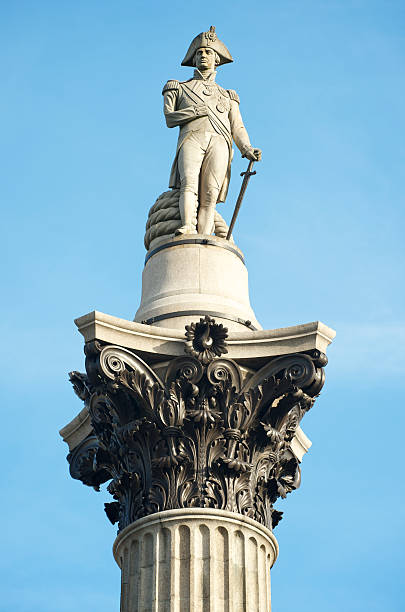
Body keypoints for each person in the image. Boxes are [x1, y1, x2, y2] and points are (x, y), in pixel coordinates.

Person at [163, 26, 261, 236]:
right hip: (192, 137)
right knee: (188, 184)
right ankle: (188, 225)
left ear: (217, 59)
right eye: (199, 53)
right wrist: (195, 111)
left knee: (210, 194)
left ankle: (205, 235)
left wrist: (247, 148)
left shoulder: (227, 96)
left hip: (219, 142)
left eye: (208, 52)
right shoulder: (179, 87)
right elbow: (170, 119)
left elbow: (237, 127)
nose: (203, 56)